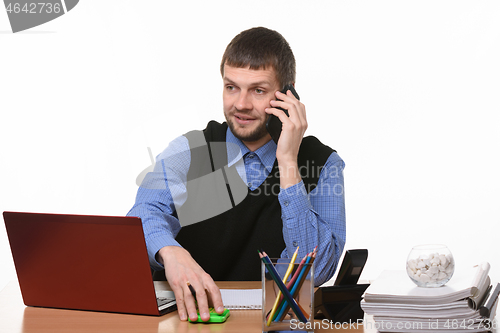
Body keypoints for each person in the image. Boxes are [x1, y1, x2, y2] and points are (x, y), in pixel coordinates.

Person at [127, 26, 346, 322]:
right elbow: (142, 213)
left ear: (288, 94)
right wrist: (170, 252)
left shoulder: (323, 164)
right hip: (189, 322)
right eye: (231, 87)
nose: (241, 104)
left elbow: (315, 272)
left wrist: (288, 162)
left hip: (271, 324)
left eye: (258, 90)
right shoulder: (189, 150)